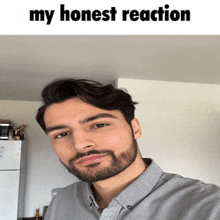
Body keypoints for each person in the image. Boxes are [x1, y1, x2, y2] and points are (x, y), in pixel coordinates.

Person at [36, 78, 220, 220]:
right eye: (61, 134)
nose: (79, 144)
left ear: (135, 128)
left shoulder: (209, 207)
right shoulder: (62, 201)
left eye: (99, 125)